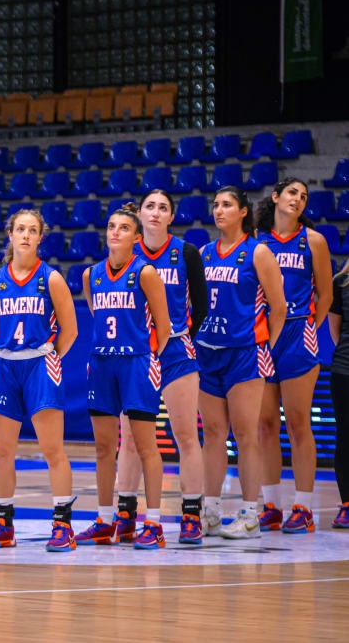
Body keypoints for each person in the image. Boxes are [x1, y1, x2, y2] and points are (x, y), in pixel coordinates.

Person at [0, 209, 79, 552]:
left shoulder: (50, 279)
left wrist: (49, 357)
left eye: (32, 230)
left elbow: (71, 330)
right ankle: (3, 523)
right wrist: (5, 351)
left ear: (39, 238)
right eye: (19, 229)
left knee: (53, 450)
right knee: (2, 452)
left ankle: (63, 524)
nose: (25, 235)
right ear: (10, 234)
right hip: (5, 366)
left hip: (40, 365)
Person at [114, 190, 209, 545]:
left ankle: (191, 515)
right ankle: (125, 513)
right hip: (136, 354)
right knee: (132, 441)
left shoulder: (185, 253)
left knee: (185, 435)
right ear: (139, 214)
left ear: (171, 216)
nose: (155, 212)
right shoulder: (125, 252)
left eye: (163, 208)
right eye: (150, 206)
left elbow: (200, 308)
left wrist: (175, 337)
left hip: (175, 351)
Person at [77, 203, 171, 549]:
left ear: (135, 236)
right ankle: (105, 519)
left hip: (137, 363)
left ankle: (155, 522)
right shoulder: (92, 275)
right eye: (111, 226)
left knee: (146, 445)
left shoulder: (145, 273)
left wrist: (148, 360)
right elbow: (95, 312)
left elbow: (164, 326)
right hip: (102, 363)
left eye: (123, 228)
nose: (115, 232)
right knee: (104, 447)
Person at [196, 186, 286, 538]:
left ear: (243, 212)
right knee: (214, 434)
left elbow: (278, 307)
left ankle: (251, 513)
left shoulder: (258, 252)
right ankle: (212, 511)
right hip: (207, 351)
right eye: (216, 204)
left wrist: (265, 344)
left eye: (227, 205)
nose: (219, 210)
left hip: (245, 352)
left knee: (246, 434)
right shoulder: (204, 253)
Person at [255, 178, 332, 534]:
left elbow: (326, 295)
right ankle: (271, 505)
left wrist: (308, 328)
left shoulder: (313, 241)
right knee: (265, 425)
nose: (298, 200)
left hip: (298, 333)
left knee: (298, 422)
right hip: (263, 335)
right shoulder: (257, 240)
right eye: (292, 193)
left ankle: (303, 507)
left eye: (303, 197)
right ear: (275, 197)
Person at [326, 261, 349, 528]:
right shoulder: (341, 282)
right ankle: (346, 503)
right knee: (345, 436)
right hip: (344, 371)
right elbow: (335, 330)